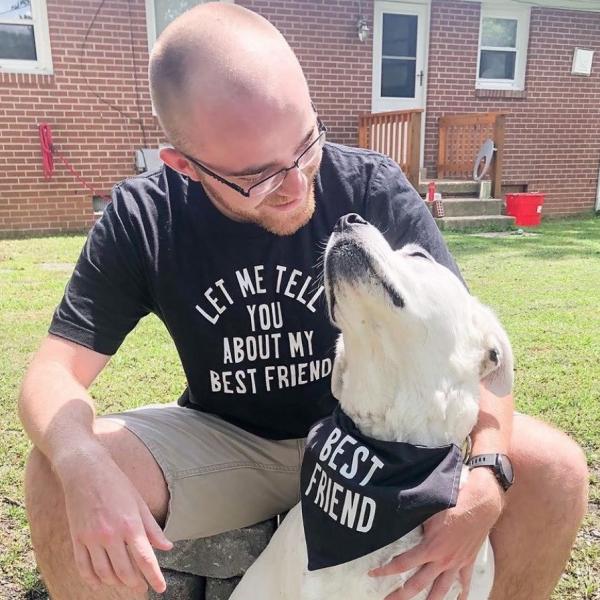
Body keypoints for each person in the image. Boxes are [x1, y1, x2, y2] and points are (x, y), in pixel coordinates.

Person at [19, 3, 588, 600]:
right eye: (259, 176)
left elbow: (475, 349)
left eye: (306, 143)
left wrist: (489, 472)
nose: (297, 186)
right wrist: (82, 461)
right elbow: (53, 374)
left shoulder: (369, 186)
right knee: (56, 473)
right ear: (184, 165)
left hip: (377, 436)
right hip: (232, 442)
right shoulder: (146, 217)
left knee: (553, 469)